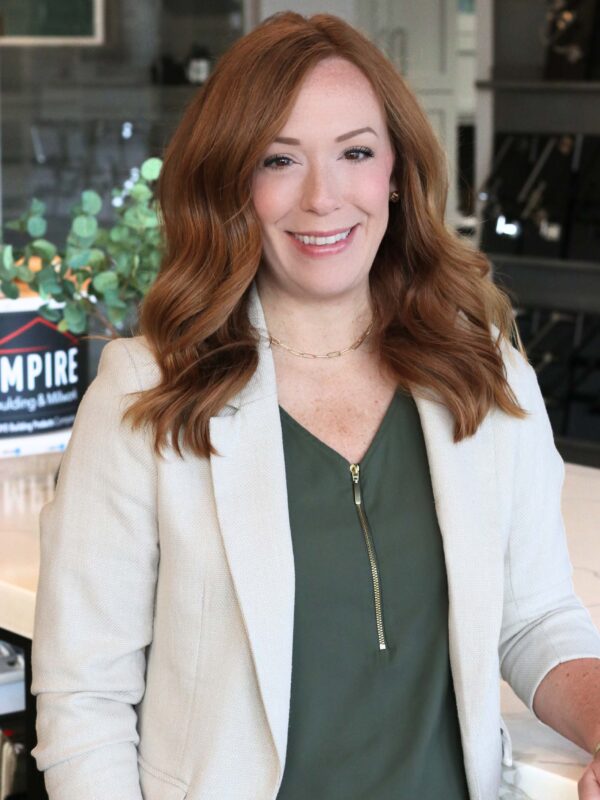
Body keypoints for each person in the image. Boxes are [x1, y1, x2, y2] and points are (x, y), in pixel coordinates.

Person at [30, 11, 600, 800]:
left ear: (395, 172)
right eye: (278, 159)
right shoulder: (145, 394)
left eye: (355, 153)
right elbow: (84, 699)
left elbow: (535, 618)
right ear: (234, 181)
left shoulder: (482, 370)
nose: (322, 197)